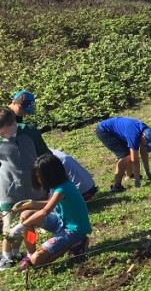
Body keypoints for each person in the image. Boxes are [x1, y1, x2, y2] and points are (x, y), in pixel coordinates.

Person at [10, 153, 92, 273]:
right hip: (60, 221)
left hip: (74, 231)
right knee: (26, 215)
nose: (38, 180)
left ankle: (76, 243)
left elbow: (45, 212)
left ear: (50, 174)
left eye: (39, 177)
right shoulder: (57, 186)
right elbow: (51, 203)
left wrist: (20, 227)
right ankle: (30, 254)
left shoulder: (63, 188)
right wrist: (33, 204)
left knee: (36, 261)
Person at [0, 108, 39, 269]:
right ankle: (6, 257)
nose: (1, 135)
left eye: (2, 132)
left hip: (32, 189)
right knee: (10, 227)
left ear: (13, 124)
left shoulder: (28, 133)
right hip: (9, 192)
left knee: (29, 225)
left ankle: (20, 252)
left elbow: (43, 154)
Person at [95, 116, 151, 193]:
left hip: (117, 130)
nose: (145, 146)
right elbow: (135, 160)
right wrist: (137, 182)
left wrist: (147, 170)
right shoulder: (134, 135)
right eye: (146, 144)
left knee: (129, 154)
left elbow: (143, 151)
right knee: (125, 156)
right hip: (105, 131)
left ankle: (129, 175)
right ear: (143, 137)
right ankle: (116, 186)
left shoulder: (146, 131)